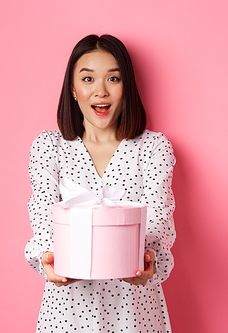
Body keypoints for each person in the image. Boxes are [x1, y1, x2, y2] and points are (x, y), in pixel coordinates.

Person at [25, 34, 176, 333]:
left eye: (114, 79)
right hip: (66, 313)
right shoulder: (49, 147)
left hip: (134, 312)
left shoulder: (153, 148)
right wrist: (46, 259)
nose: (101, 92)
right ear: (72, 88)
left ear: (126, 86)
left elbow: (159, 225)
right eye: (88, 79)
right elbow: (42, 220)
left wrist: (150, 263)